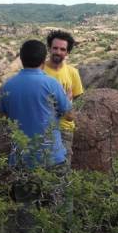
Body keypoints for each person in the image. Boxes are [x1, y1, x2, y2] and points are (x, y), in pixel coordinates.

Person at [0, 39, 73, 170]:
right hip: (51, 157)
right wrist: (68, 99)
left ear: (21, 59)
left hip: (20, 159)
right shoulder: (52, 83)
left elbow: (3, 118)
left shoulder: (7, 86)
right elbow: (69, 116)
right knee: (55, 190)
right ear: (43, 60)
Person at [43, 30, 84, 163]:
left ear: (67, 52)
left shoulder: (73, 72)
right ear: (49, 48)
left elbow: (78, 98)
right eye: (55, 48)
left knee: (62, 167)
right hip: (43, 126)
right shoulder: (40, 70)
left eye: (62, 49)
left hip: (65, 127)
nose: (58, 52)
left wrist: (69, 108)